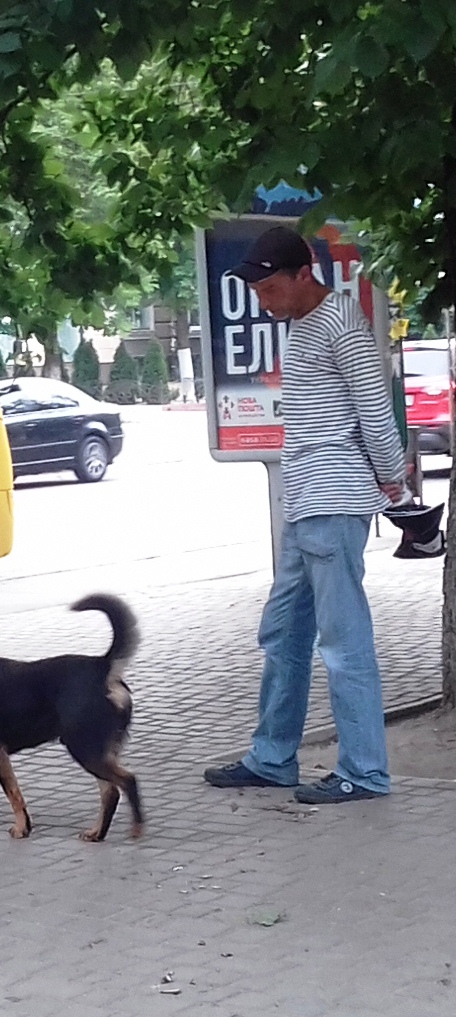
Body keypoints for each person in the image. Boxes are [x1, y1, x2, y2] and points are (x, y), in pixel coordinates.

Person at [203, 226, 406, 804]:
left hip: (333, 501)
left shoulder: (341, 325)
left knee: (343, 643)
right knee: (284, 634)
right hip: (304, 503)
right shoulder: (303, 324)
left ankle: (364, 771)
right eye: (258, 291)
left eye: (270, 288)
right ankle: (271, 758)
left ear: (303, 275)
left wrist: (392, 476)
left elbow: (374, 406)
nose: (264, 302)